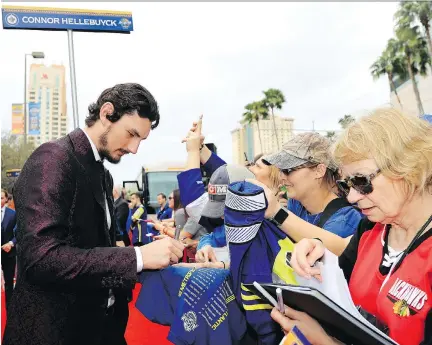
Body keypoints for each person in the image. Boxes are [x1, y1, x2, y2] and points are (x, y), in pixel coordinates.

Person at [3, 83, 185, 345]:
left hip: (99, 329)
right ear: (106, 113)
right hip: (54, 333)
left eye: (141, 140)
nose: (134, 149)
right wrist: (136, 257)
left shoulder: (102, 173)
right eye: (131, 134)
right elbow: (40, 259)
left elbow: (91, 248)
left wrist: (148, 257)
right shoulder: (53, 159)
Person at [267, 108, 431, 345]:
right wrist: (318, 252)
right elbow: (342, 278)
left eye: (362, 181)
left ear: (409, 169)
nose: (352, 197)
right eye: (346, 185)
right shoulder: (370, 229)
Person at [263, 132, 362, 238]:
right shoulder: (296, 203)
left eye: (288, 170)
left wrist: (276, 212)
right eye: (280, 170)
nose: (281, 177)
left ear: (319, 171)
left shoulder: (344, 220)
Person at [1, 189, 17, 312]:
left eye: (1, 198)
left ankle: (10, 309)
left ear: (6, 199)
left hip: (8, 253)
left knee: (8, 283)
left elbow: (19, 232)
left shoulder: (13, 214)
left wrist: (11, 243)